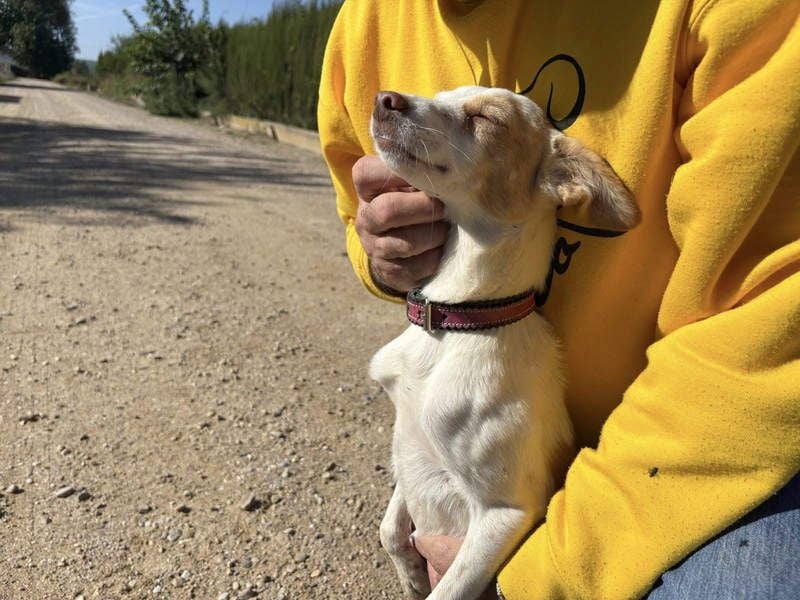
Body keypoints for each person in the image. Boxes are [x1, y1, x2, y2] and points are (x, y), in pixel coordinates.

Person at [317, 1, 800, 598]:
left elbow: (763, 326)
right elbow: (352, 209)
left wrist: (532, 575)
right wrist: (380, 252)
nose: (392, 101)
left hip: (693, 441)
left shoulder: (735, 13)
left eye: (479, 121)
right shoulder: (363, 24)